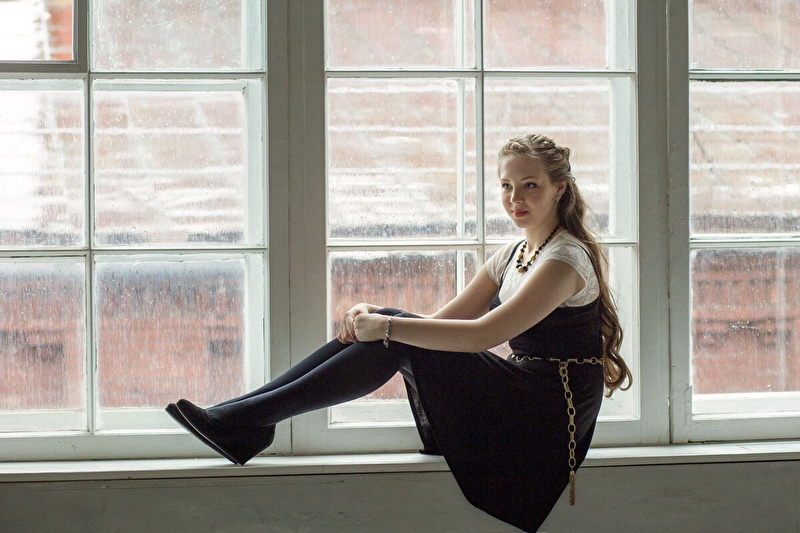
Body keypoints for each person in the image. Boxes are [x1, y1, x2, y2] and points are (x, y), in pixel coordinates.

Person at [167, 133, 632, 532]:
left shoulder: (564, 259)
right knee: (392, 330)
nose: (516, 199)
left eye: (531, 185)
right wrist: (376, 316)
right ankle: (243, 417)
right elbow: (439, 326)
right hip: (523, 389)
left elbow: (481, 335)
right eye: (507, 186)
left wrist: (387, 326)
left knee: (393, 332)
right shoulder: (513, 254)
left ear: (559, 188)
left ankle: (244, 421)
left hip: (549, 410)